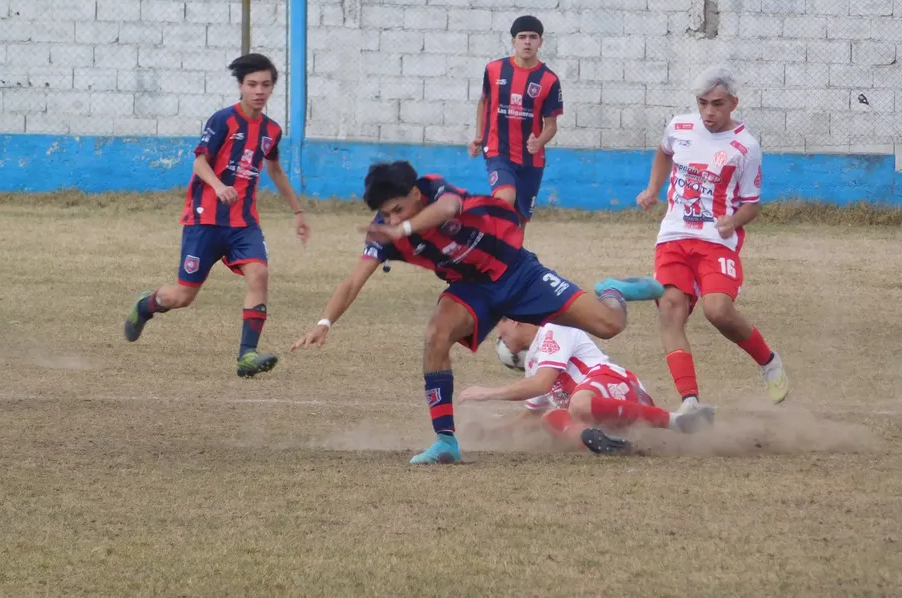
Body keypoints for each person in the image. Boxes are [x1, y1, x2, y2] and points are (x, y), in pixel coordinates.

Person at [291, 160, 664, 465]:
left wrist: (403, 228)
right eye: (385, 214)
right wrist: (324, 323)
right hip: (474, 290)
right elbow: (353, 281)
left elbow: (449, 208)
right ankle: (446, 441)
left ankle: (613, 290)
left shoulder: (435, 189)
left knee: (609, 324)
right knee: (435, 335)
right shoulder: (384, 232)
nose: (390, 219)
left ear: (416, 195)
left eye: (398, 209)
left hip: (518, 272)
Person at [123, 53, 310, 379]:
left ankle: (246, 356)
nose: (259, 91)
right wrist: (218, 186)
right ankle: (146, 304)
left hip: (244, 223)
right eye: (252, 84)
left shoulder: (272, 130)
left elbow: (275, 169)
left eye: (266, 85)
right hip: (204, 220)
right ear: (241, 86)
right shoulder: (223, 120)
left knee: (260, 275)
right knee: (183, 296)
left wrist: (299, 211)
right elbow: (199, 162)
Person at [636, 65, 788, 414]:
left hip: (715, 242)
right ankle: (690, 402)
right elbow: (664, 152)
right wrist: (652, 189)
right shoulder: (680, 126)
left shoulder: (745, 147)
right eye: (703, 103)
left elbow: (751, 205)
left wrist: (731, 221)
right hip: (673, 237)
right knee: (670, 312)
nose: (709, 112)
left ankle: (768, 361)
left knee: (718, 311)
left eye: (717, 104)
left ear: (733, 103)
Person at [459, 319, 715, 455]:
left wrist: (488, 393)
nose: (498, 336)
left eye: (499, 328)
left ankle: (676, 421)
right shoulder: (533, 364)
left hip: (621, 386)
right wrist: (491, 432)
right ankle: (600, 443)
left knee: (577, 404)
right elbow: (531, 416)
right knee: (550, 416)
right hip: (606, 414)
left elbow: (542, 383)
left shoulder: (553, 329)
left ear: (514, 320)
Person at [468, 15, 562, 226]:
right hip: (498, 151)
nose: (527, 41)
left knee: (518, 223)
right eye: (522, 37)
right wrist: (479, 136)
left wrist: (539, 142)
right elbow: (484, 102)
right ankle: (485, 242)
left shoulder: (549, 80)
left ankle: (509, 257)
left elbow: (551, 125)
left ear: (540, 42)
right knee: (505, 198)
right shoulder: (494, 70)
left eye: (533, 37)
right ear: (513, 42)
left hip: (531, 159)